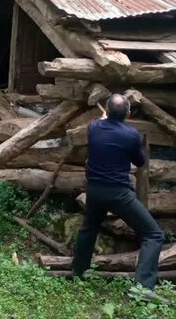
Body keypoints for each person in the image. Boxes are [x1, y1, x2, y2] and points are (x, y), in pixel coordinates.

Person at [71, 94, 166, 303]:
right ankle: (143, 289)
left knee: (89, 228)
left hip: (94, 190)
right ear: (129, 113)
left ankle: (78, 272)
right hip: (118, 194)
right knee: (153, 234)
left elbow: (101, 123)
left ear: (106, 111)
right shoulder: (132, 135)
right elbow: (140, 162)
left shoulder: (94, 127)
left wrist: (107, 119)